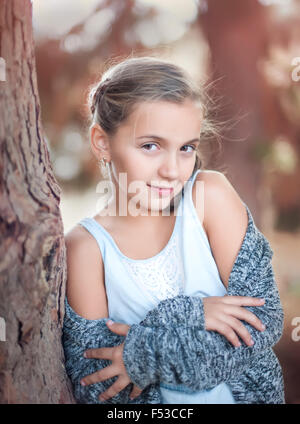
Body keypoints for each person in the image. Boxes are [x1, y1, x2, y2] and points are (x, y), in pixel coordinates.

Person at [62, 56, 285, 404]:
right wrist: (195, 314)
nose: (172, 170)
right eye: (150, 146)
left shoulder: (210, 197)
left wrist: (142, 353)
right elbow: (99, 390)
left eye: (186, 149)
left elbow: (261, 324)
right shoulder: (85, 248)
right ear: (102, 142)